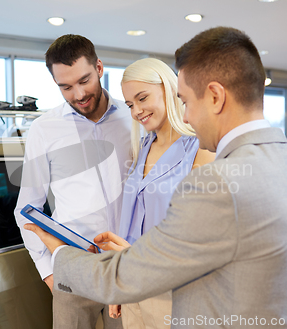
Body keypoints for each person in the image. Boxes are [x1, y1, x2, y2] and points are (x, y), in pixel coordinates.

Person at [25, 27, 287, 328]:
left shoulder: (217, 182)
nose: (184, 116)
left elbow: (149, 270)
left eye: (185, 101)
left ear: (215, 97)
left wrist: (60, 251)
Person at [14, 34, 131, 329]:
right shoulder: (44, 129)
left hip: (128, 263)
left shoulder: (134, 118)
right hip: (73, 268)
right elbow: (27, 208)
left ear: (100, 68)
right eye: (65, 87)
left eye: (84, 80)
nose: (78, 94)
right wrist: (48, 272)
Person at [103, 58, 214, 328]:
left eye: (142, 98)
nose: (136, 111)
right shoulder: (142, 147)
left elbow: (204, 234)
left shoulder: (200, 148)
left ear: (167, 88)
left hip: (174, 290)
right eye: (130, 104)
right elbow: (128, 224)